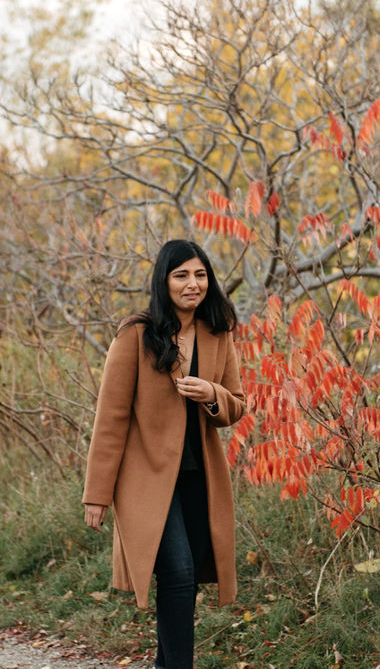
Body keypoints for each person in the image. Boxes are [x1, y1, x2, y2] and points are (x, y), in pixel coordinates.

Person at [83, 239, 246, 669]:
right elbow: (111, 419)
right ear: (164, 281)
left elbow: (237, 404)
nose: (192, 284)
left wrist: (212, 394)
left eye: (200, 275)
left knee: (186, 579)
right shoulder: (135, 334)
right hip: (146, 481)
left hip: (200, 476)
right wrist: (96, 494)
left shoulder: (218, 331)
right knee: (175, 573)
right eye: (181, 275)